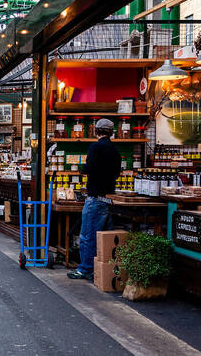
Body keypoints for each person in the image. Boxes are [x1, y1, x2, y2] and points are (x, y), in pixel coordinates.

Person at [68, 118, 120, 280]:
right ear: (111, 132)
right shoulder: (114, 149)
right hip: (108, 197)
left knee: (87, 235)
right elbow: (117, 172)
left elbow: (88, 168)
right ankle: (102, 268)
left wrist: (83, 170)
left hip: (95, 196)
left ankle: (85, 269)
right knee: (105, 235)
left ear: (96, 131)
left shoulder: (96, 147)